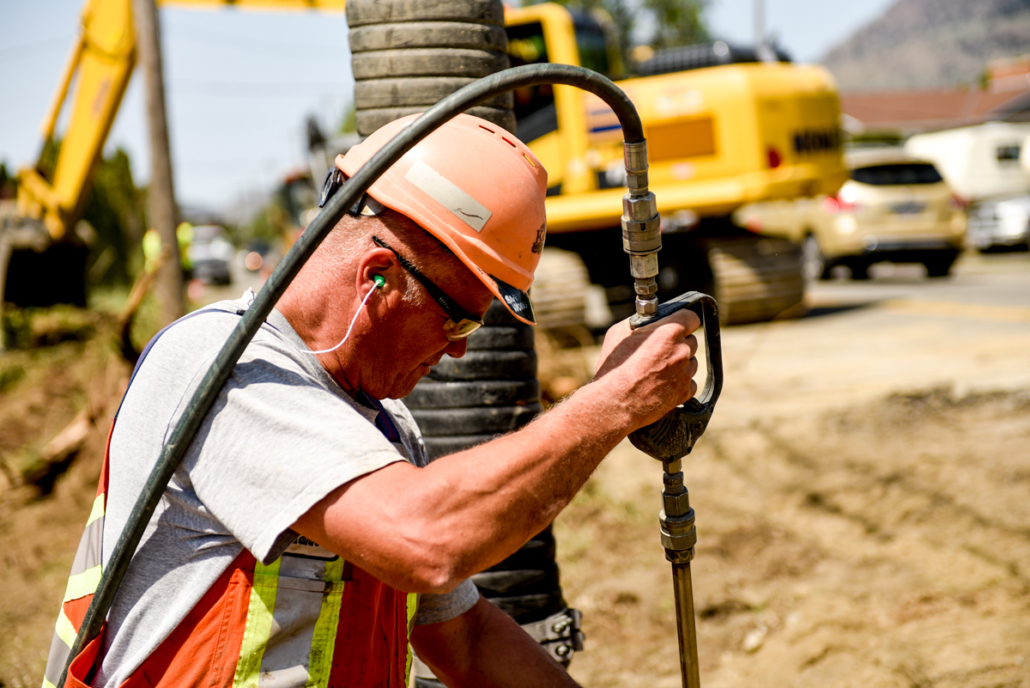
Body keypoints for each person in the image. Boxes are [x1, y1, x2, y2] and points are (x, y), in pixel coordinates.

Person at [43, 114, 700, 688]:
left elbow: (464, 641)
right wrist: (614, 401)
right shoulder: (227, 372)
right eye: (461, 320)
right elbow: (427, 540)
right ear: (378, 277)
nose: (460, 351)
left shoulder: (382, 430)